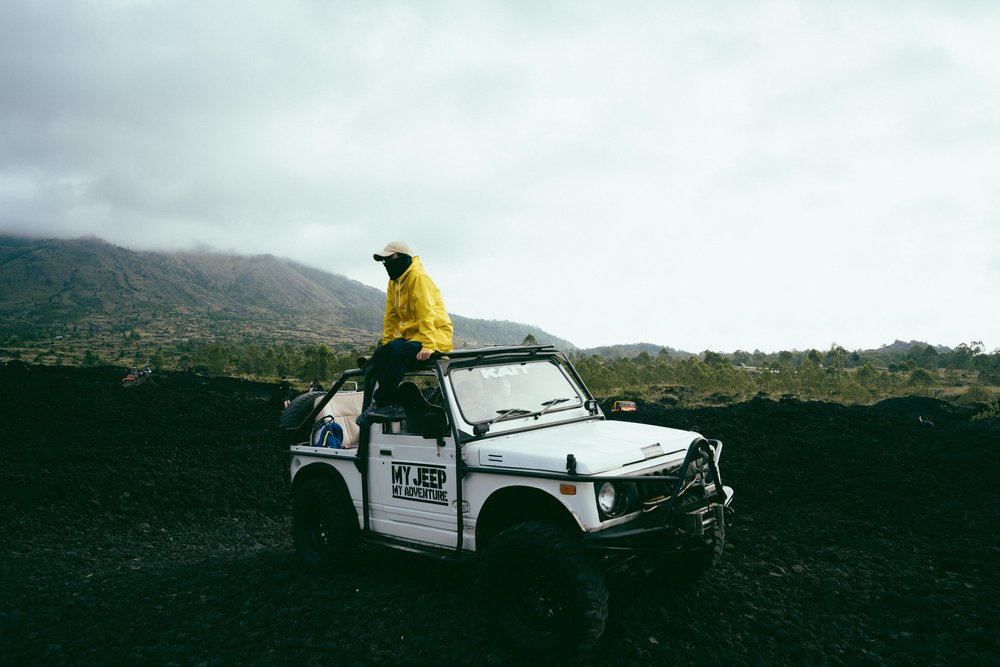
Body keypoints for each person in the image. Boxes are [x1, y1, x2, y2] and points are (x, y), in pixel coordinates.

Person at [357, 241, 453, 426]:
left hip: (435, 332)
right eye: (383, 261)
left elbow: (427, 313)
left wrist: (428, 346)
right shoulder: (394, 283)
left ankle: (383, 403)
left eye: (389, 259)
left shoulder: (418, 278)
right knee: (382, 355)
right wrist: (387, 343)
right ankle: (388, 404)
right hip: (412, 335)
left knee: (400, 355)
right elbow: (391, 316)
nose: (386, 264)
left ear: (403, 257)